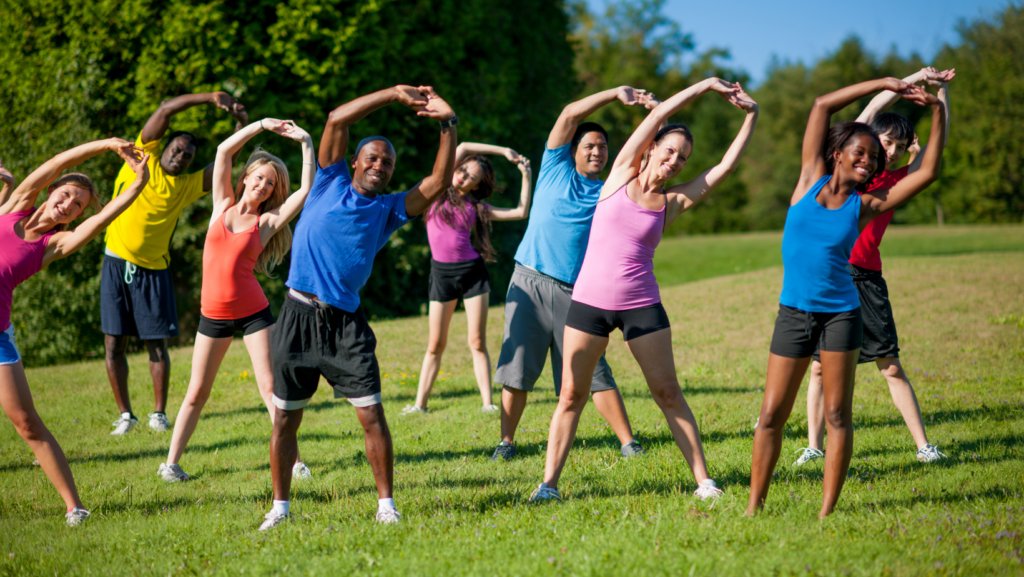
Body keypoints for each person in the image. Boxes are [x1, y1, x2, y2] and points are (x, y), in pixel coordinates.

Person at [529, 79, 759, 502]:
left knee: (668, 393)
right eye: (669, 150)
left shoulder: (672, 202)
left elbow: (723, 169)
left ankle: (704, 482)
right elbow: (655, 116)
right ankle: (548, 486)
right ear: (651, 147)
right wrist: (707, 85)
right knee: (571, 396)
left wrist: (751, 116)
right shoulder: (619, 175)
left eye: (683, 158)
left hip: (641, 305)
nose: (675, 161)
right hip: (589, 303)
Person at [260, 85, 458, 531]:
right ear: (354, 162)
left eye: (386, 162)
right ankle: (280, 508)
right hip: (295, 315)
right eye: (372, 157)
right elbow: (336, 119)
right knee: (285, 419)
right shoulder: (327, 180)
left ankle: (386, 505)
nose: (379, 165)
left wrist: (448, 125)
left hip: (345, 323)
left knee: (371, 414)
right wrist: (392, 94)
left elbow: (438, 183)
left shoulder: (388, 210)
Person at [747, 78, 947, 519]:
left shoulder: (865, 205)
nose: (868, 160)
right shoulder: (806, 182)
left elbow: (928, 172)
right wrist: (886, 83)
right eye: (861, 152)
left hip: (841, 315)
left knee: (839, 415)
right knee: (770, 417)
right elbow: (820, 104)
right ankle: (753, 508)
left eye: (873, 157)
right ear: (836, 153)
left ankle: (825, 513)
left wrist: (937, 110)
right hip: (793, 313)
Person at [795, 67, 954, 468]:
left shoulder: (895, 179)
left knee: (890, 365)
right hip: (831, 275)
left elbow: (934, 154)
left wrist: (940, 94)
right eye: (888, 142)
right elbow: (866, 112)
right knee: (817, 369)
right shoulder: (850, 169)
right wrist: (907, 80)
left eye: (901, 146)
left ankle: (923, 446)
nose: (894, 151)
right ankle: (813, 446)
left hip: (866, 278)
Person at [491, 86, 657, 462]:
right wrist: (616, 93)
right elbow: (568, 115)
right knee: (517, 370)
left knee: (595, 370)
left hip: (577, 293)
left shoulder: (609, 191)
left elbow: (647, 162)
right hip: (529, 282)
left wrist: (657, 114)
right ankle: (506, 442)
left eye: (602, 147)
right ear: (573, 151)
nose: (597, 152)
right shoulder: (554, 168)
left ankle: (629, 442)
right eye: (589, 146)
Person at [0, 138, 150, 526]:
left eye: (77, 205)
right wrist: (105, 146)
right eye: (65, 195)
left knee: (27, 422)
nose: (67, 205)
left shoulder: (54, 245)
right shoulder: (14, 206)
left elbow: (103, 220)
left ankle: (74, 506)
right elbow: (55, 161)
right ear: (51, 193)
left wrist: (138, 184)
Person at [158, 119, 316, 483]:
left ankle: (294, 462)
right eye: (259, 177)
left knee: (270, 389)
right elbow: (222, 151)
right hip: (212, 315)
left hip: (253, 314)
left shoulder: (267, 222)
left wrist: (306, 141)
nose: (263, 186)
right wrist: (260, 125)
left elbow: (305, 189)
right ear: (246, 177)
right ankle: (171, 464)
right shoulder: (221, 205)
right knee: (197, 392)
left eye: (270, 183)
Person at [103, 91, 249, 435]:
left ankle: (158, 414)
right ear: (163, 147)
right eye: (177, 149)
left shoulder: (185, 186)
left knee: (157, 345)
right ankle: (125, 415)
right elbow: (166, 108)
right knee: (113, 344)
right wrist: (210, 97)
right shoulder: (141, 158)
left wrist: (242, 124)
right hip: (115, 264)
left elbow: (224, 162)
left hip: (154, 270)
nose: (181, 156)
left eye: (187, 155)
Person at [403, 142, 532, 415]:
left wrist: (525, 175)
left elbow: (521, 212)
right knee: (435, 344)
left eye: (470, 177)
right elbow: (460, 145)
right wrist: (504, 151)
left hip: (472, 274)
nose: (462, 176)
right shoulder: (435, 190)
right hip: (441, 275)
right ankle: (419, 405)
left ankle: (488, 403)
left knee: (477, 342)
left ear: (475, 186)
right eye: (461, 170)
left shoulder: (477, 207)